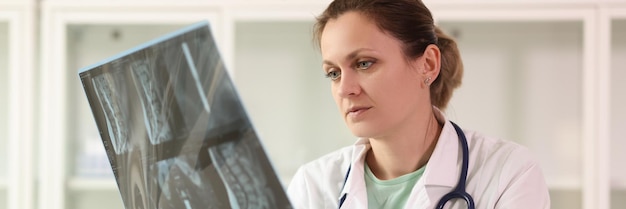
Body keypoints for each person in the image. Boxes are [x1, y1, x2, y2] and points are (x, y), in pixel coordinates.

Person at [286, 0, 551, 208]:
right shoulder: (313, 186)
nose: (345, 89)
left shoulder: (507, 173)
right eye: (334, 73)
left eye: (364, 63)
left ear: (428, 64)